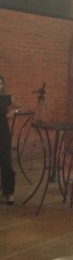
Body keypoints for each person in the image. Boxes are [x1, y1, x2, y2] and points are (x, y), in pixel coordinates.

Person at [0, 75, 16, 205]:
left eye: (0, 83)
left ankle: (9, 192)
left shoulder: (6, 97)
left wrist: (13, 111)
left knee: (6, 162)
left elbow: (21, 106)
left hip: (3, 133)